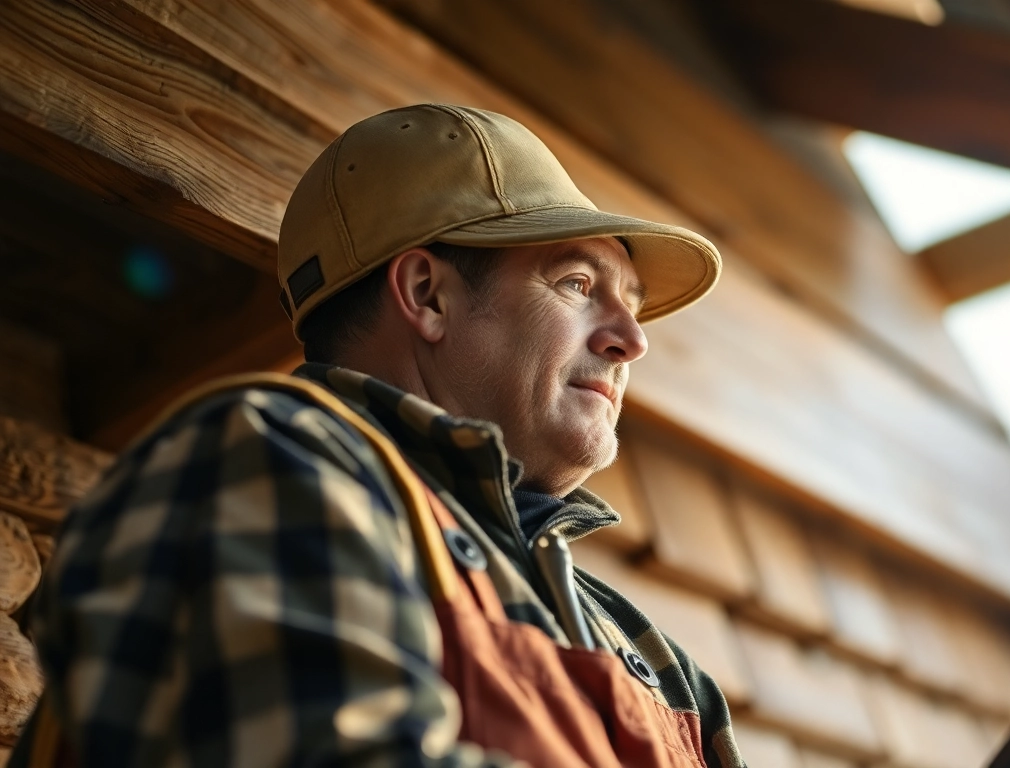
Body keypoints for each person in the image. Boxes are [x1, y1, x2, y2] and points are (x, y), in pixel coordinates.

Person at [17, 104, 742, 767]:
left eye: (633, 305)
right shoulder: (266, 456)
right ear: (429, 296)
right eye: (579, 285)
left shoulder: (646, 649)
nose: (631, 340)